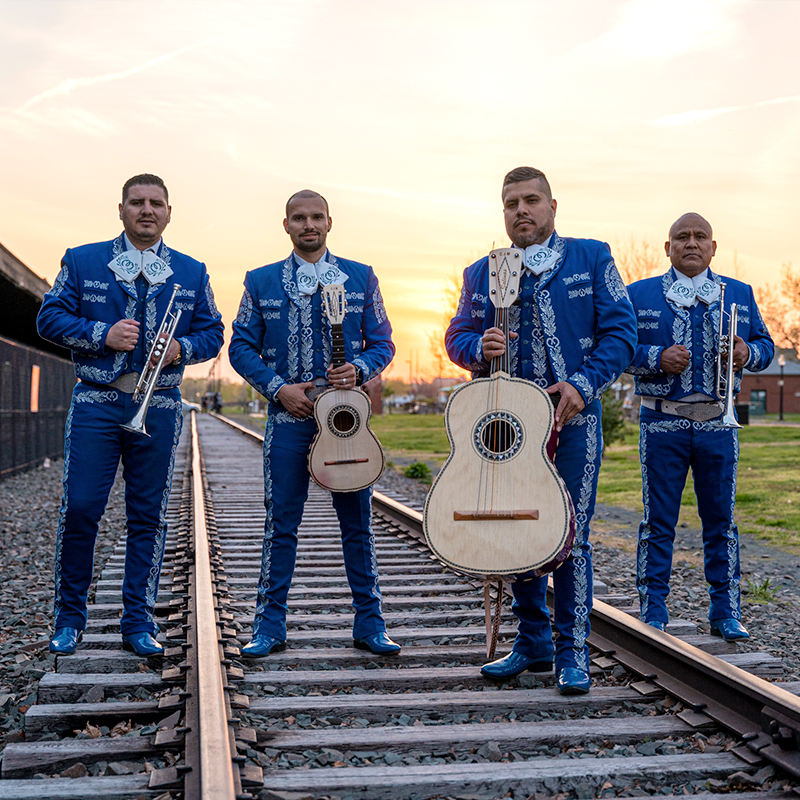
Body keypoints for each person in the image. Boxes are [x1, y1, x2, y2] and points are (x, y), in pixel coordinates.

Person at [445, 167, 637, 693]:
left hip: (574, 418)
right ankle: (530, 642)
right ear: (502, 211)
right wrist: (474, 348)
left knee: (569, 532)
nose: (521, 211)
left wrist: (582, 384)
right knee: (518, 527)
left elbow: (622, 332)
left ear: (553, 205)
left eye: (531, 201)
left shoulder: (592, 257)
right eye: (511, 203)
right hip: (507, 426)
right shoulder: (481, 271)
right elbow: (456, 335)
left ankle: (573, 651)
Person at [38, 174, 224, 656]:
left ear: (168, 212)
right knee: (80, 508)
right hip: (96, 401)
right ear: (120, 209)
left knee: (149, 516)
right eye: (137, 202)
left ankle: (137, 621)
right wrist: (101, 334)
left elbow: (213, 332)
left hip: (158, 405)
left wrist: (182, 347)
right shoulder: (82, 259)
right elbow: (49, 318)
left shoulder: (191, 270)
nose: (147, 210)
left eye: (156, 203)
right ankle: (69, 618)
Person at [228, 190, 399, 657]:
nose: (309, 224)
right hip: (289, 417)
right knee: (280, 522)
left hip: (346, 419)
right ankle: (269, 626)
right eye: (299, 218)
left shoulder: (360, 277)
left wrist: (360, 369)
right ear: (285, 225)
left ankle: (370, 623)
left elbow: (383, 342)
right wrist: (277, 387)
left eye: (316, 217)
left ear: (330, 222)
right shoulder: (260, 282)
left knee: (357, 525)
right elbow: (240, 346)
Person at [626, 213, 773, 641]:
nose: (691, 243)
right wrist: (655, 358)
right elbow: (616, 349)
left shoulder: (740, 294)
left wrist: (750, 353)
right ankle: (653, 608)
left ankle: (725, 611)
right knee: (658, 520)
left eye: (700, 237)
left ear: (713, 246)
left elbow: (767, 344)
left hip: (718, 423)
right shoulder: (639, 294)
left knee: (721, 520)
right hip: (661, 422)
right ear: (666, 247)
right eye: (681, 237)